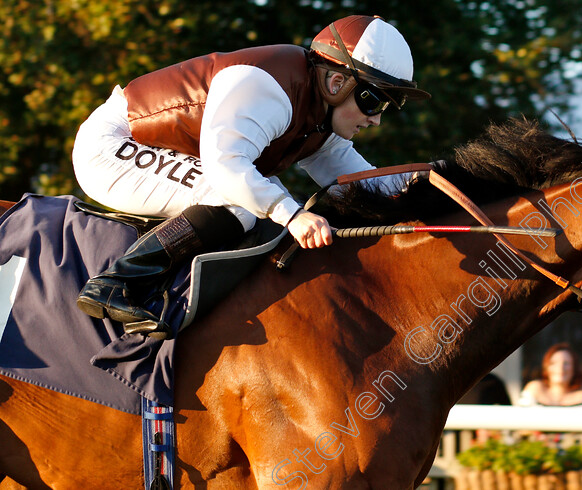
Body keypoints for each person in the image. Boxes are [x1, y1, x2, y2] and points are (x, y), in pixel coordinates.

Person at [71, 15, 430, 332]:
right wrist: (294, 215)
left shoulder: (323, 119)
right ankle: (117, 283)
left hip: (162, 150)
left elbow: (363, 184)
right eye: (373, 101)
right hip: (114, 144)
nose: (377, 118)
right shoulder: (267, 86)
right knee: (240, 203)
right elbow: (226, 167)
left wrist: (439, 182)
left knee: (261, 199)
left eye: (387, 106)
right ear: (337, 83)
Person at [518, 343, 582, 407]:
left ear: (575, 367)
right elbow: (519, 423)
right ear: (546, 367)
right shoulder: (534, 389)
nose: (560, 368)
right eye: (554, 363)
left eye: (566, 363)